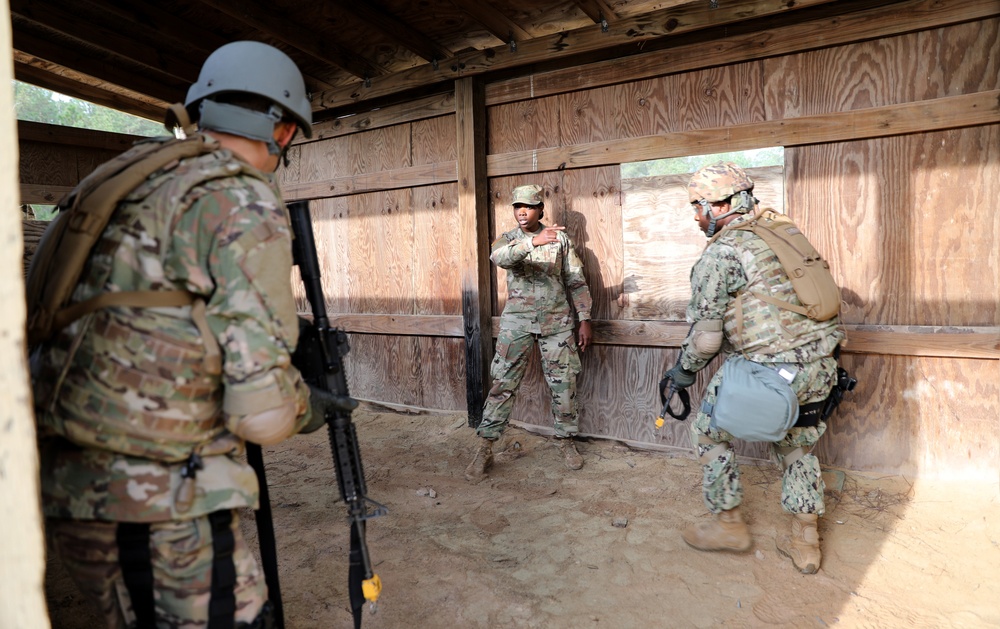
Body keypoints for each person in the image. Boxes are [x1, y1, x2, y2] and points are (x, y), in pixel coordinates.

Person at [30, 41, 345, 628]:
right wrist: (310, 406)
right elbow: (263, 415)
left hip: (70, 487)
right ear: (278, 130)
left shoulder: (120, 178)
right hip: (162, 497)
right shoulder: (238, 197)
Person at [662, 162, 844, 574]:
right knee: (796, 444)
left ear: (723, 204)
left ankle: (728, 524)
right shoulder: (783, 233)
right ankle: (806, 540)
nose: (695, 216)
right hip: (821, 367)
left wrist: (684, 372)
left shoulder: (722, 253)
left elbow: (707, 339)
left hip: (770, 374)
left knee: (707, 433)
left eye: (698, 206)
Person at [465, 184, 594, 483]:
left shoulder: (560, 239)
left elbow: (576, 280)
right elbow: (500, 259)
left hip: (557, 324)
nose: (522, 211)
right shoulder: (508, 240)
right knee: (502, 385)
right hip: (517, 324)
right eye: (517, 206)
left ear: (540, 210)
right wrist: (533, 243)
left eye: (529, 206)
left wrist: (585, 318)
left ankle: (566, 442)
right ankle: (485, 447)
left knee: (564, 386)